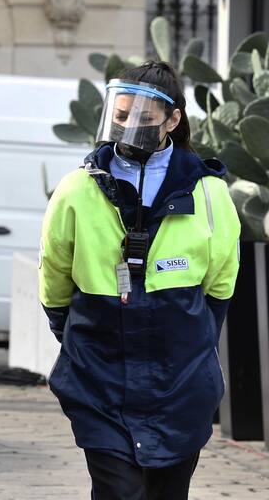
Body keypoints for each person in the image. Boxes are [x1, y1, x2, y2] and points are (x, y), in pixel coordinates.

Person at [38, 60, 241, 500]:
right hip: (99, 370)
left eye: (144, 117)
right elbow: (54, 272)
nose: (129, 126)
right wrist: (77, 336)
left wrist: (192, 339)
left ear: (172, 120)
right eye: (121, 114)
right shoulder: (77, 189)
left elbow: (221, 283)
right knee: (117, 490)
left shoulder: (209, 192)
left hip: (181, 377)